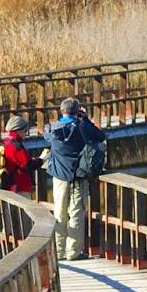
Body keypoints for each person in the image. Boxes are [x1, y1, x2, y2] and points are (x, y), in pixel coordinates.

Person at [43, 97, 107, 261]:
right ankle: (73, 252)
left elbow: (46, 138)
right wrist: (85, 119)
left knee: (59, 212)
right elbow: (100, 136)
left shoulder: (50, 128)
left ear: (61, 110)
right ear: (77, 111)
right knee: (76, 212)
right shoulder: (83, 127)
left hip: (59, 176)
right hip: (79, 175)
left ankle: (58, 251)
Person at [1, 115, 39, 195]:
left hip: (9, 186)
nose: (26, 134)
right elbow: (28, 166)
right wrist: (41, 160)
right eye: (25, 131)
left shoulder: (6, 142)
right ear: (19, 131)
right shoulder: (17, 146)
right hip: (19, 187)